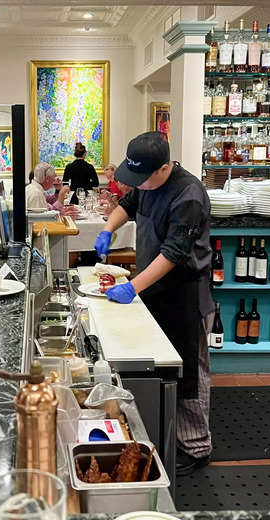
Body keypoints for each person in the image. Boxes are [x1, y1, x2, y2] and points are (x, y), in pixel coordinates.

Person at [94, 132, 214, 476]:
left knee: (189, 370)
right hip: (154, 288)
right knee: (162, 366)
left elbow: (174, 253)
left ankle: (196, 446)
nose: (140, 185)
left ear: (165, 168)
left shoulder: (188, 194)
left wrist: (132, 286)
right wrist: (108, 228)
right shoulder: (146, 184)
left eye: (143, 179)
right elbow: (128, 205)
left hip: (184, 292)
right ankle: (167, 434)